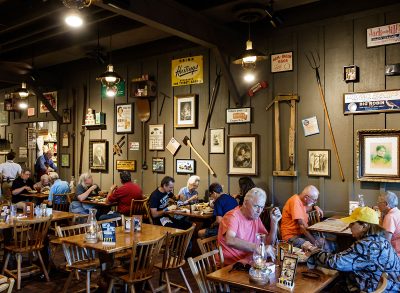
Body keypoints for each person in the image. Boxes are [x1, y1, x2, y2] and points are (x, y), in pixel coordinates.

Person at [307, 207, 400, 292]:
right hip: (389, 285)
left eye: (352, 223)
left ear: (364, 225)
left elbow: (335, 262)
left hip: (378, 288)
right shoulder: (381, 240)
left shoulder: (366, 245)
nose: (349, 226)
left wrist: (314, 252)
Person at [218, 187, 281, 265]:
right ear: (245, 203)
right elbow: (230, 240)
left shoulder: (255, 217)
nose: (259, 211)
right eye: (256, 206)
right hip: (231, 266)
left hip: (250, 262)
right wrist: (258, 248)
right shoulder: (233, 216)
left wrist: (274, 223)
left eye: (261, 207)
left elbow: (268, 242)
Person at [377, 191, 400, 256]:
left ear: (386, 204)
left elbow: (386, 242)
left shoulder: (390, 217)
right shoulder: (397, 212)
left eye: (379, 202)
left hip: (395, 254)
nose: (377, 205)